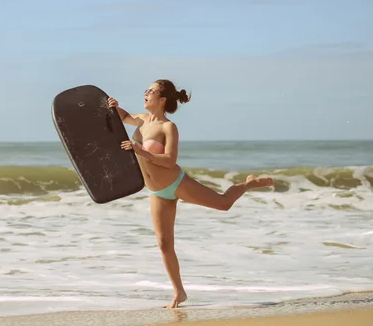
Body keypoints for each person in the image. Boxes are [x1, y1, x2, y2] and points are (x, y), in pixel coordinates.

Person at [108, 79, 274, 309]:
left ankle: (247, 185)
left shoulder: (168, 127)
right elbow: (123, 116)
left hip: (176, 183)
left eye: (151, 91)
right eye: (146, 90)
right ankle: (179, 293)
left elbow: (169, 160)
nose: (145, 93)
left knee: (224, 204)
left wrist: (141, 151)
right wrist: (114, 106)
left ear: (162, 99)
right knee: (164, 244)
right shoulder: (141, 120)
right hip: (156, 191)